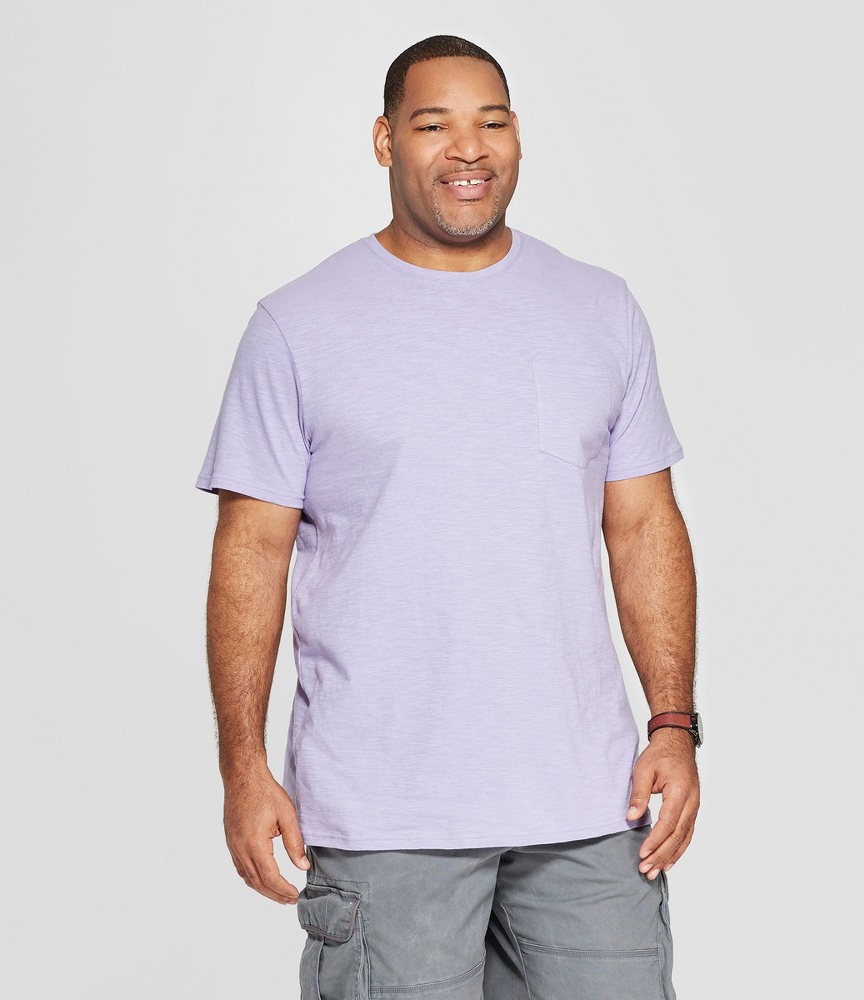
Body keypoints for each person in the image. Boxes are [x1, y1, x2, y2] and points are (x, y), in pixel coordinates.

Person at [195, 33, 700, 1000]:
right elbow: (250, 553)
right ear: (386, 141)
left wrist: (673, 724)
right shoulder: (299, 326)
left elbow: (644, 527)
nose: (468, 149)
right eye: (435, 125)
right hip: (386, 814)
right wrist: (243, 768)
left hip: (591, 808)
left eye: (491, 122)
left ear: (518, 137)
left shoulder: (600, 310)